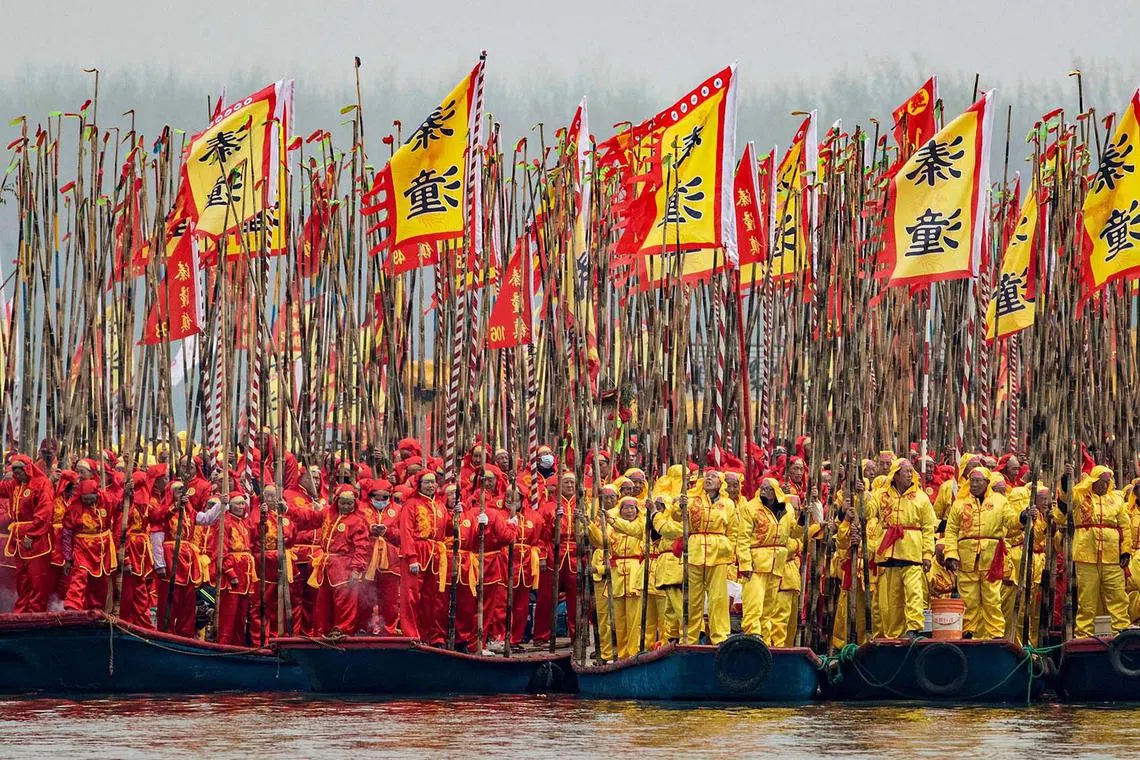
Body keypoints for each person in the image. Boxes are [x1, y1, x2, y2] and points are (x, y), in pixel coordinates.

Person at [654, 471, 736, 644]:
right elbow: (677, 517)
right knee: (692, 598)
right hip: (695, 550)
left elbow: (733, 530)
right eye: (707, 476)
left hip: (719, 550)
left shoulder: (728, 503)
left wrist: (731, 550)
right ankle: (689, 637)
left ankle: (720, 636)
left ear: (721, 483)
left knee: (718, 597)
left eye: (714, 476)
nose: (709, 478)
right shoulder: (692, 499)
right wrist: (679, 506)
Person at [866, 458, 936, 638]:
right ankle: (895, 633)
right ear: (895, 474)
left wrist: (927, 554)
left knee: (914, 591)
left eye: (911, 471)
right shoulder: (881, 495)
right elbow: (868, 512)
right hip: (889, 553)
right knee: (893, 597)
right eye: (906, 471)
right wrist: (861, 496)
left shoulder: (921, 497)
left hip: (912, 551)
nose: (909, 474)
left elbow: (929, 528)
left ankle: (914, 627)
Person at [1060, 464, 1132, 637]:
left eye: (1108, 481)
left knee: (1117, 596)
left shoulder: (1116, 499)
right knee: (1087, 599)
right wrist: (1065, 480)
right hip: (1086, 556)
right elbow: (1064, 500)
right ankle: (1084, 634)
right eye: (1101, 481)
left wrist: (1125, 551)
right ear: (1094, 480)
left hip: (1112, 556)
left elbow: (1125, 526)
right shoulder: (1080, 494)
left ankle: (1121, 631)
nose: (1105, 484)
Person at [943, 467, 1012, 639]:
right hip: (967, 558)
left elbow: (1011, 520)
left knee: (992, 598)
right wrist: (951, 554)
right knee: (968, 599)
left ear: (987, 483)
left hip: (991, 558)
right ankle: (968, 632)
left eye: (978, 481)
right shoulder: (960, 503)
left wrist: (1024, 517)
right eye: (971, 481)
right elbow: (951, 530)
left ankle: (996, 634)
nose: (974, 484)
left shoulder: (1000, 501)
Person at [736, 477, 795, 643]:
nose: (764, 491)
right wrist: (745, 563)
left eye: (768, 489)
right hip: (756, 564)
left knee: (769, 607)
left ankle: (766, 639)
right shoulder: (751, 508)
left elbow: (794, 531)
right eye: (762, 488)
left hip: (777, 564)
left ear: (775, 491)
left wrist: (804, 518)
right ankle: (753, 636)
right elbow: (743, 538)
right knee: (753, 604)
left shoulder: (787, 509)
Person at [309, 484, 370, 637]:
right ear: (337, 502)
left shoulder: (357, 521)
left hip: (345, 567)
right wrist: (288, 511)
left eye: (349, 503)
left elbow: (361, 547)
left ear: (354, 503)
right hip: (327, 566)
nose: (346, 506)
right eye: (342, 503)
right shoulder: (329, 514)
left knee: (345, 602)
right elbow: (308, 517)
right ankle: (322, 630)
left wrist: (357, 569)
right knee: (323, 602)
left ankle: (342, 630)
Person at [590, 496, 645, 659]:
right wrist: (588, 525)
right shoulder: (611, 529)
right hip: (616, 573)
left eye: (632, 508)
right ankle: (620, 653)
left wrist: (611, 519)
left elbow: (630, 529)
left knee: (635, 619)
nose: (629, 511)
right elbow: (601, 542)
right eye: (625, 508)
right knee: (618, 620)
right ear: (620, 511)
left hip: (635, 571)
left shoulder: (641, 525)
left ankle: (634, 651)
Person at [0, 455, 56, 613]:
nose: (17, 476)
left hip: (36, 539)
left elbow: (44, 513)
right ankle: (22, 610)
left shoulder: (42, 484)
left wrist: (31, 535)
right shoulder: (14, 485)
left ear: (28, 469)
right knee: (22, 579)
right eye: (15, 473)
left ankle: (36, 611)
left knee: (37, 579)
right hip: (18, 541)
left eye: (19, 472)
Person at [398, 471, 449, 644]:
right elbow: (405, 532)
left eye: (433, 482)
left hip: (435, 553)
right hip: (416, 552)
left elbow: (447, 531)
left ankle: (431, 635)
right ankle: (412, 634)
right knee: (411, 596)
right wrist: (411, 558)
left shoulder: (440, 506)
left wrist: (457, 514)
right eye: (426, 482)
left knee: (433, 598)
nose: (430, 485)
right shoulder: (411, 504)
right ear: (419, 484)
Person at [204, 493, 259, 646]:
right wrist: (231, 573)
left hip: (246, 576)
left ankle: (238, 645)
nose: (241, 507)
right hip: (232, 577)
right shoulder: (224, 523)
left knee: (241, 617)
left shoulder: (244, 523)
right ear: (230, 506)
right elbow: (219, 553)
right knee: (228, 616)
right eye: (238, 504)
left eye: (243, 503)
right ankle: (224, 645)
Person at [533, 471, 579, 645]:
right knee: (546, 596)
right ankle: (541, 636)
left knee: (576, 598)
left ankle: (577, 636)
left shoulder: (582, 505)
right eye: (566, 482)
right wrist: (543, 556)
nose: (569, 486)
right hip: (554, 552)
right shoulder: (548, 507)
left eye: (571, 483)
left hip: (575, 553)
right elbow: (541, 535)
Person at [60, 478, 119, 611]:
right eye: (84, 499)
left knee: (100, 582)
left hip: (102, 549)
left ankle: (96, 610)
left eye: (90, 499)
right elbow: (67, 534)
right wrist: (68, 558)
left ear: (97, 495)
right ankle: (72, 608)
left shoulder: (107, 501)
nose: (87, 502)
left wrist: (128, 493)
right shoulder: (73, 509)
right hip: (82, 548)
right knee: (79, 576)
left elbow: (120, 505)